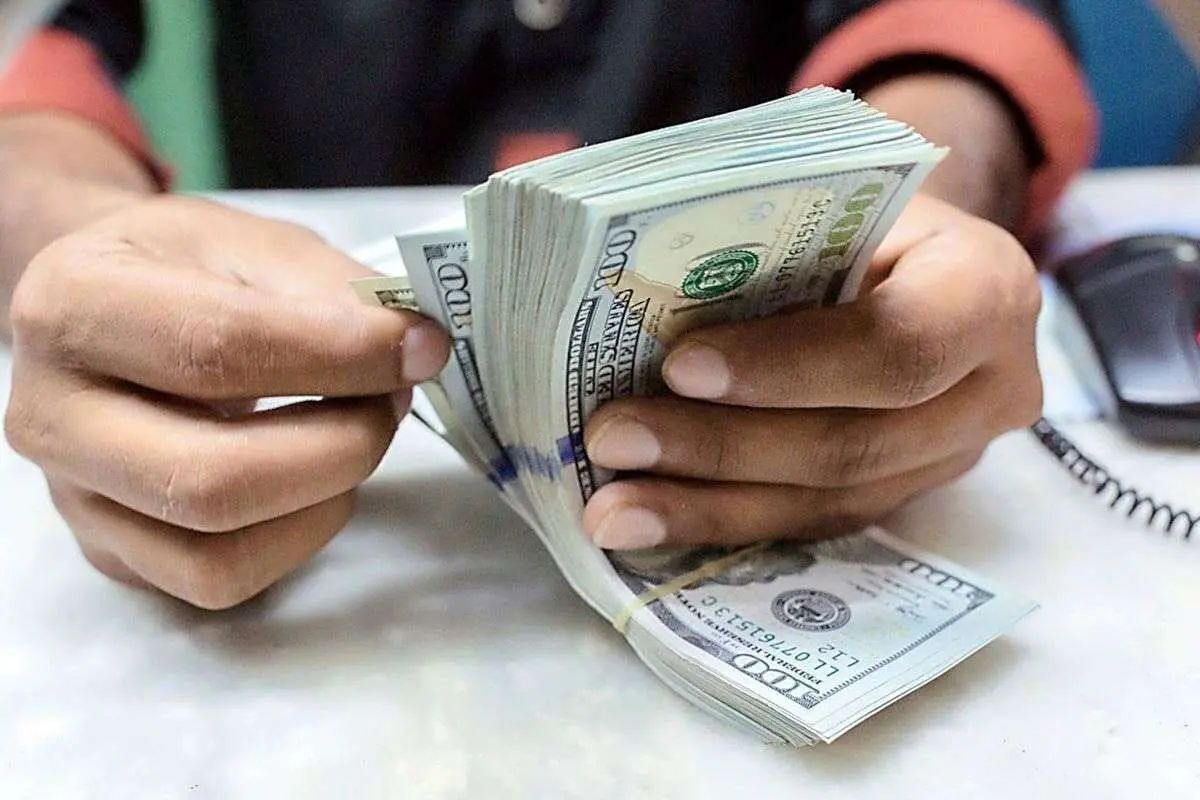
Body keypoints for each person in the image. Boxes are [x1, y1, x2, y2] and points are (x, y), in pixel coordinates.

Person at [0, 0, 1096, 609]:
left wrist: (911, 210)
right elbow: (38, 63)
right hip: (337, 481)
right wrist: (81, 251)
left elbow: (953, 29)